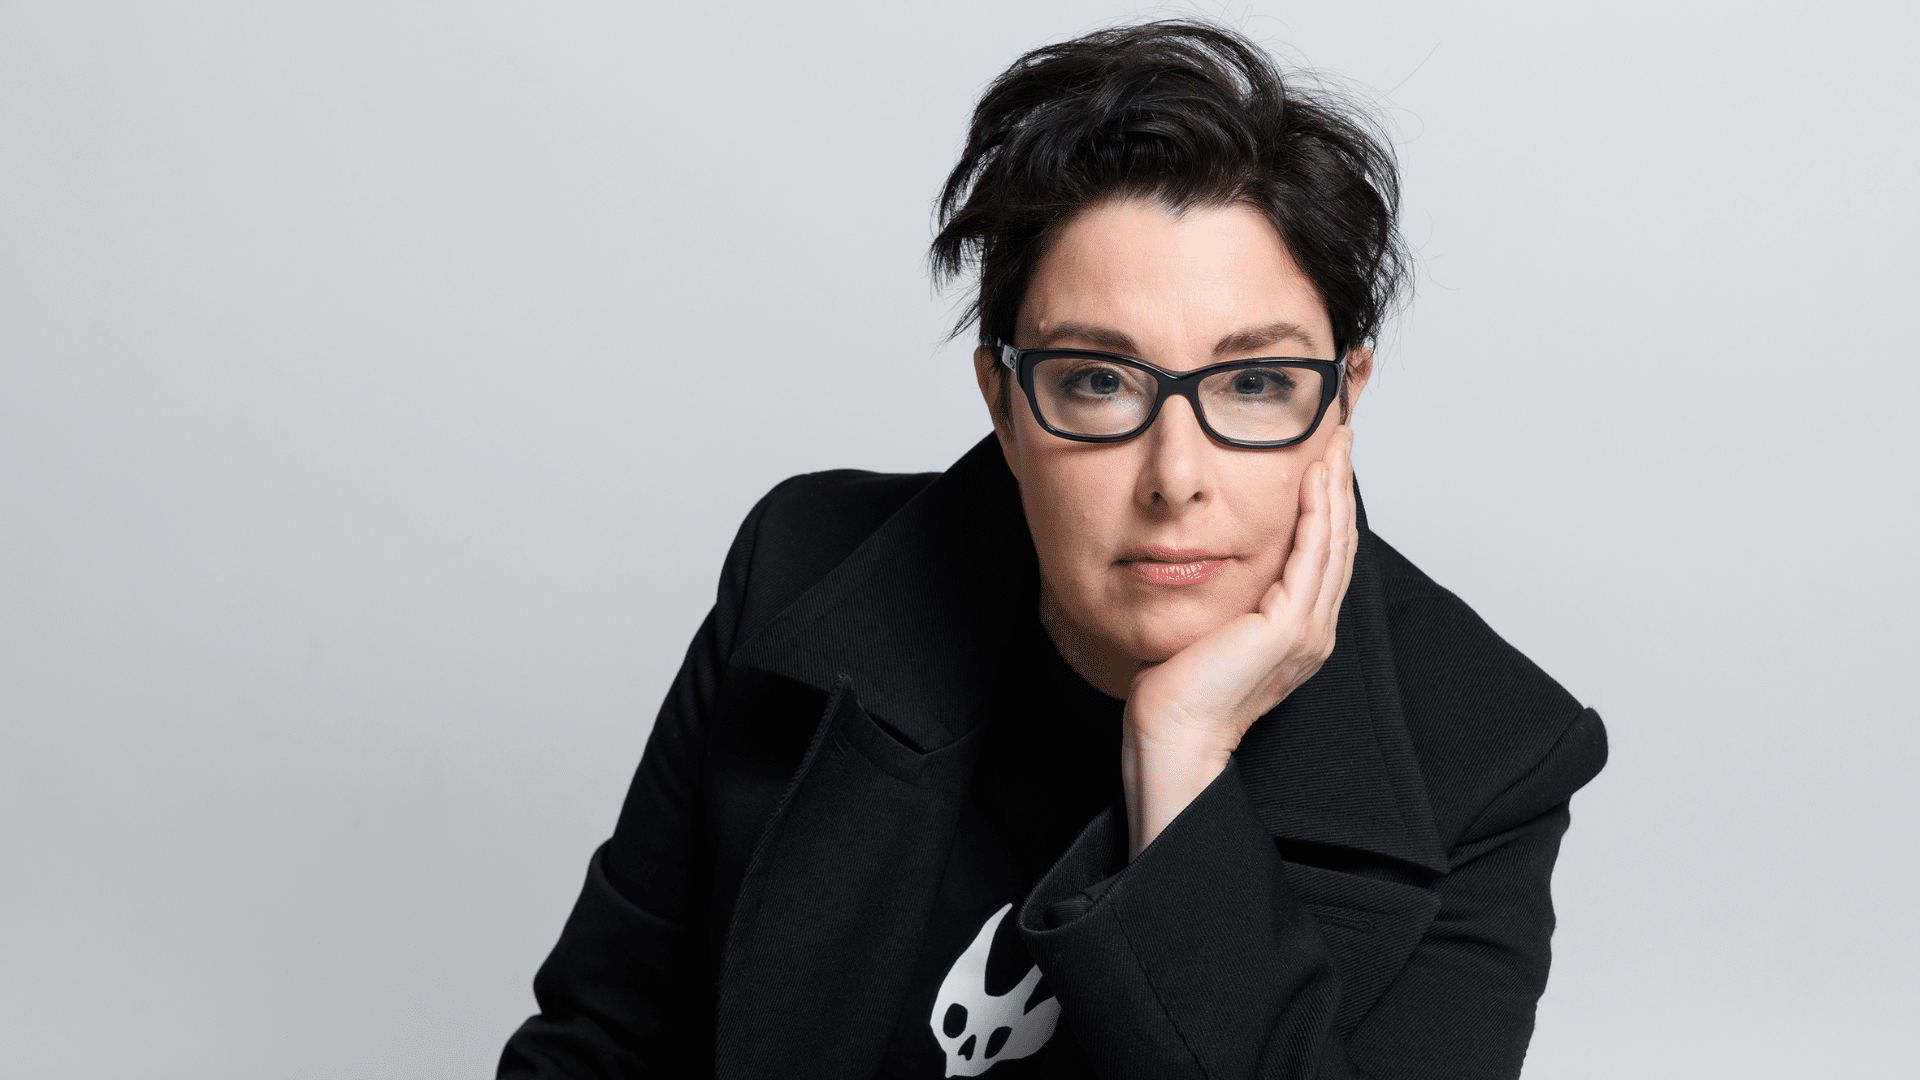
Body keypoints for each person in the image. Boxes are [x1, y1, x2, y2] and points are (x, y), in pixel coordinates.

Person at [498, 20, 1606, 1080]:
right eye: (1099, 380)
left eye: (1256, 383)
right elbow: (600, 1043)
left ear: (1342, 402)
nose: (1176, 475)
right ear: (1005, 402)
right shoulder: (801, 569)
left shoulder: (1489, 756)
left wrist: (1180, 763)